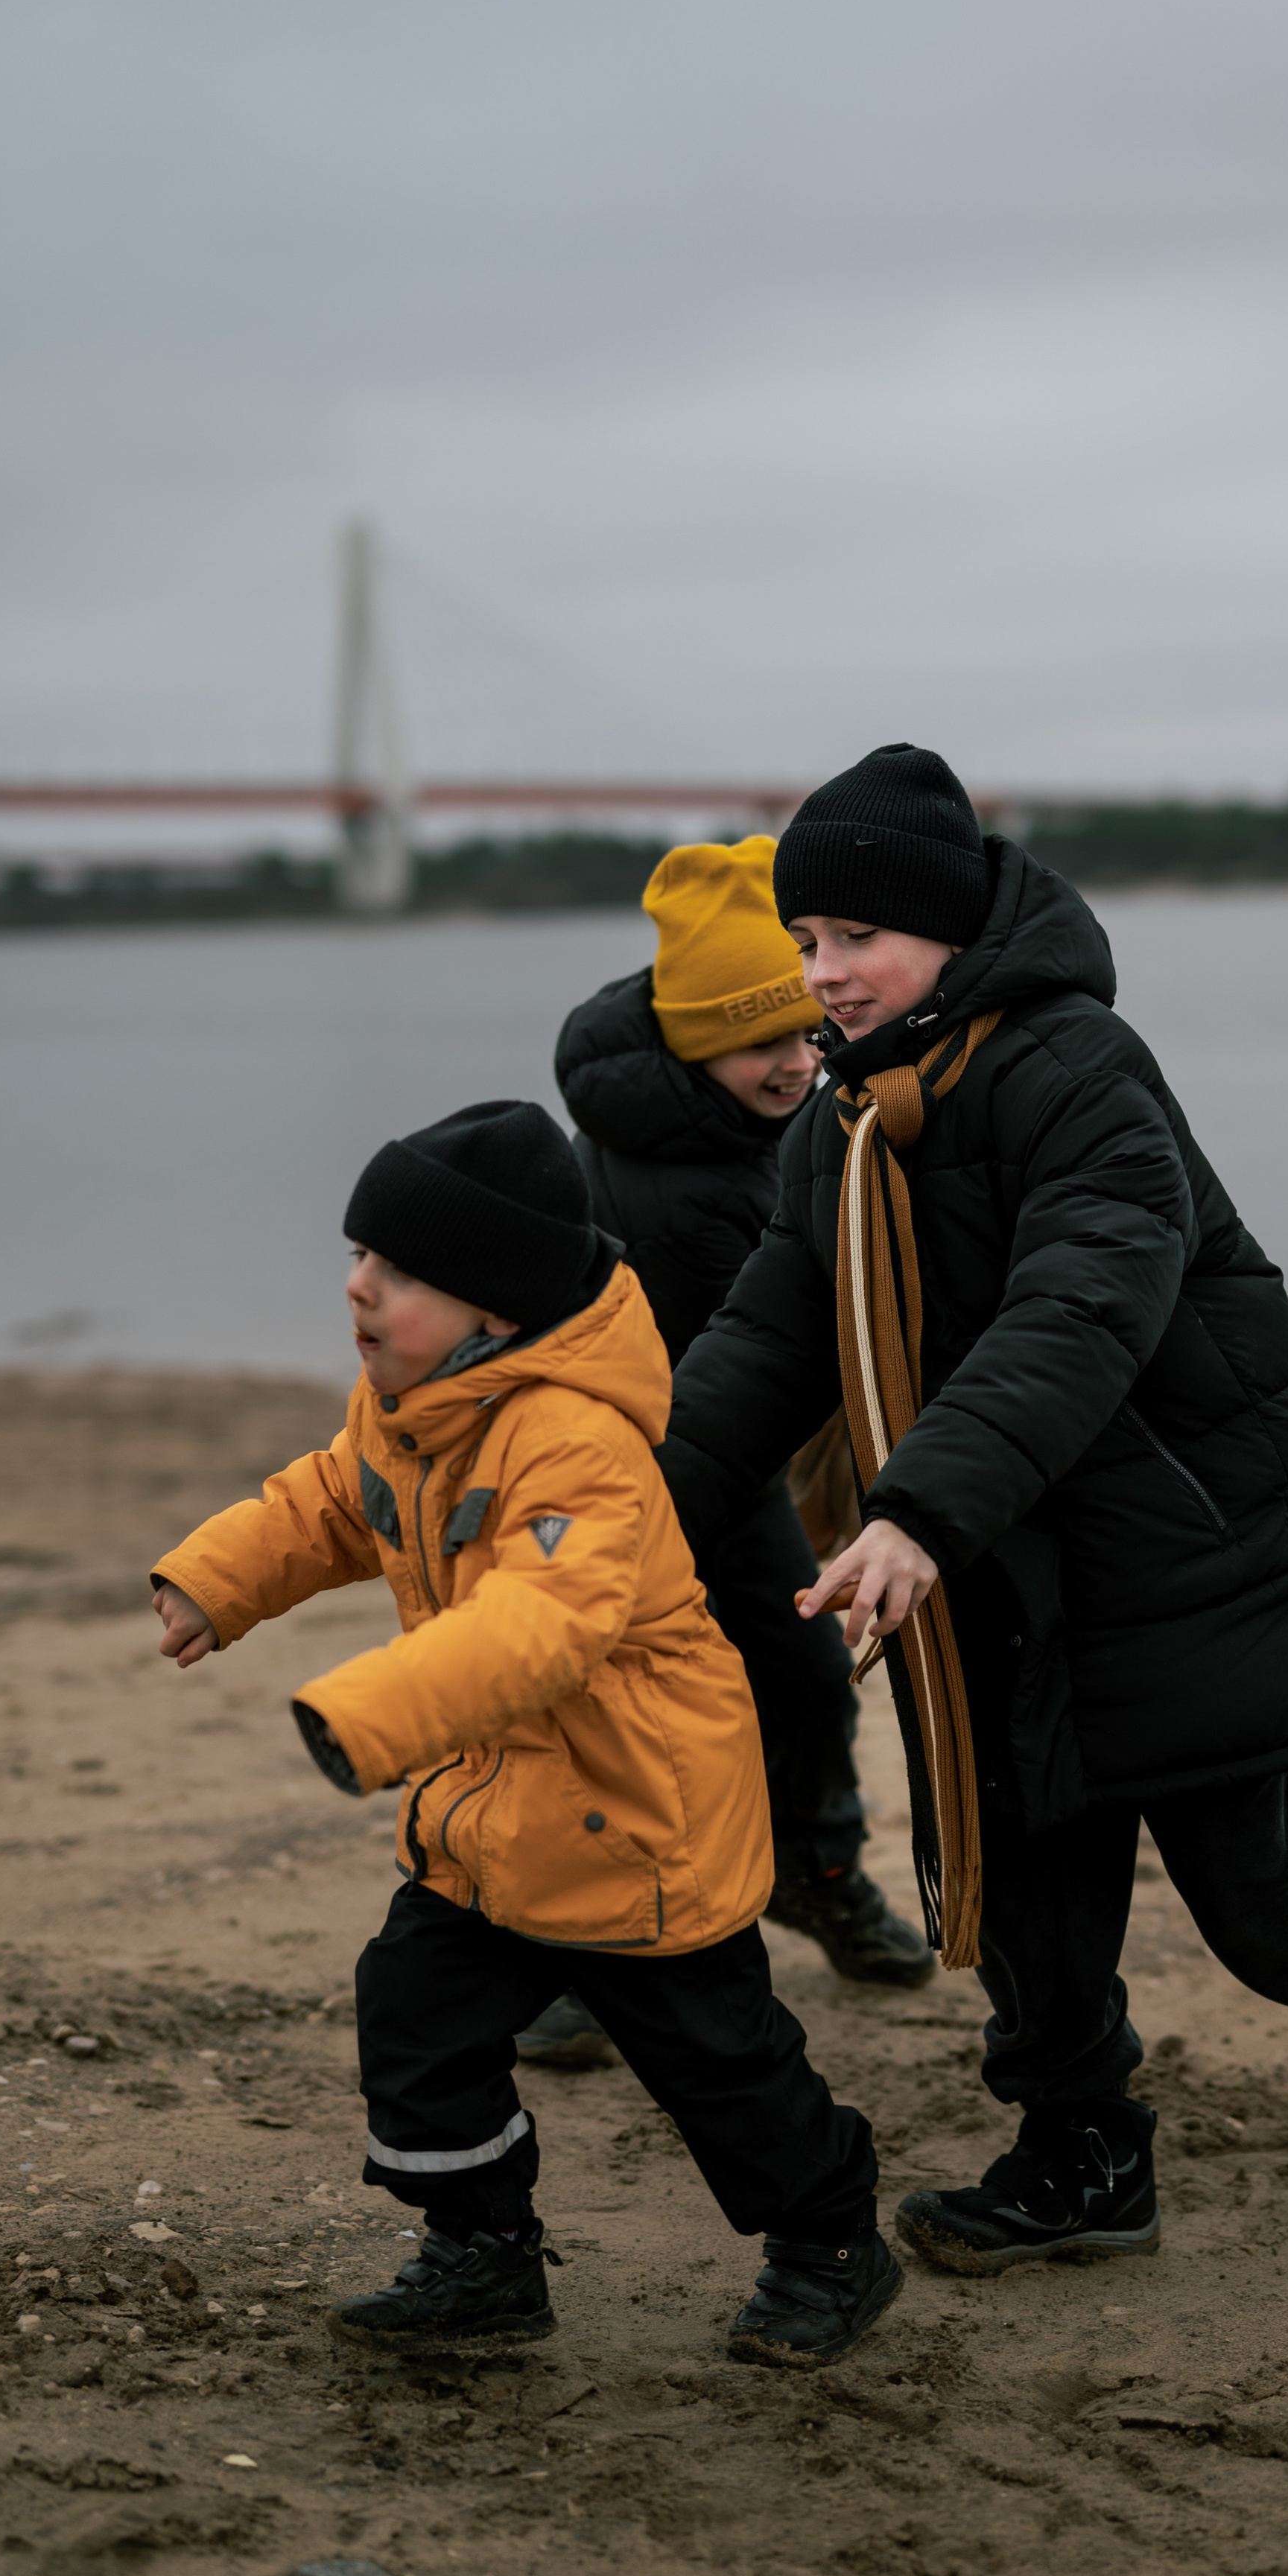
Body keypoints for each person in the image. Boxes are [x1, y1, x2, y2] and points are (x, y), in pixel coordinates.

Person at [659, 745, 1288, 2277]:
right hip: (999, 1565)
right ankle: (1082, 2153)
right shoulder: (844, 1122)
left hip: (1177, 1549)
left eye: (854, 938)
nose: (822, 975)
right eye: (804, 943)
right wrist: (627, 1511)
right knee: (1032, 1884)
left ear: (949, 928)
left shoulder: (1075, 1070)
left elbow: (1077, 1311)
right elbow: (767, 1338)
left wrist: (911, 1509)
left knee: (1258, 1898)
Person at [145, 1098, 901, 2365]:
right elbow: (336, 1500)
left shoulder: (578, 1444)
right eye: (360, 1259)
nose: (359, 1292)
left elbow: (542, 1624)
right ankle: (482, 2253)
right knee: (414, 2013)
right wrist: (219, 1580)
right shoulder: (410, 1405)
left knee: (722, 2070)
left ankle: (832, 2241)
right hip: (493, 1822)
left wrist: (370, 1707)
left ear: (496, 1311)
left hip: (637, 1823)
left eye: (401, 1276)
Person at [519, 835, 929, 2087]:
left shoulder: (766, 1118)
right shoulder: (657, 1180)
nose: (801, 1061)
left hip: (725, 1470)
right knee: (616, 1716)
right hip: (617, 1474)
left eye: (809, 1032)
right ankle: (574, 1963)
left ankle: (817, 1875)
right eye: (769, 1043)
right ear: (694, 1041)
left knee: (802, 1680)